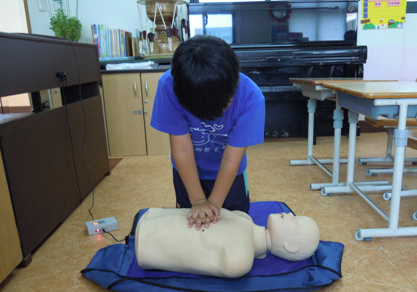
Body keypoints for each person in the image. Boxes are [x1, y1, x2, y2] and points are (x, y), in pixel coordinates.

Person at [150, 35, 265, 231]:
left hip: (231, 174)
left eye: (224, 105)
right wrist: (197, 200)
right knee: (192, 230)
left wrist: (212, 205)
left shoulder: (251, 98)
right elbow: (182, 150)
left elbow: (231, 158)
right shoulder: (169, 86)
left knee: (233, 228)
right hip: (186, 172)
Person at [135, 208, 320, 278]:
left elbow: (191, 261)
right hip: (155, 218)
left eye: (296, 222)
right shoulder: (245, 219)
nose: (290, 215)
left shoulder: (240, 261)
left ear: (291, 246)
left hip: (150, 243)